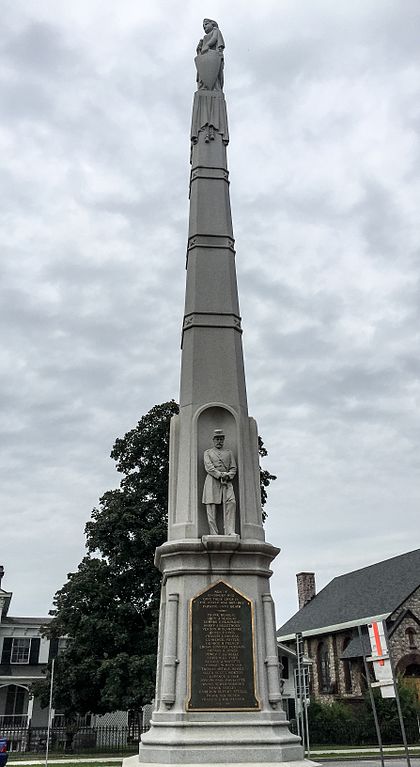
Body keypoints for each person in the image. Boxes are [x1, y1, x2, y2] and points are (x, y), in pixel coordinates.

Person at [202, 429, 237, 535]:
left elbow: (233, 468)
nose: (219, 441)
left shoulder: (229, 453)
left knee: (231, 503)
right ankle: (214, 533)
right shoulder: (208, 453)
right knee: (211, 507)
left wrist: (228, 476)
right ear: (213, 440)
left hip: (226, 481)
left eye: (221, 439)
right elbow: (209, 467)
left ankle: (230, 531)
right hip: (212, 481)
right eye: (217, 439)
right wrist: (220, 475)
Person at [196, 18, 225, 91]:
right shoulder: (204, 38)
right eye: (203, 26)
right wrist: (199, 48)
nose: (204, 27)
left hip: (214, 58)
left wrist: (207, 45)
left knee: (214, 75)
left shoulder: (216, 30)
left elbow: (214, 38)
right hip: (205, 61)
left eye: (206, 24)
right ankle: (203, 86)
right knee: (203, 74)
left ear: (212, 24)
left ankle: (215, 88)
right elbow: (200, 54)